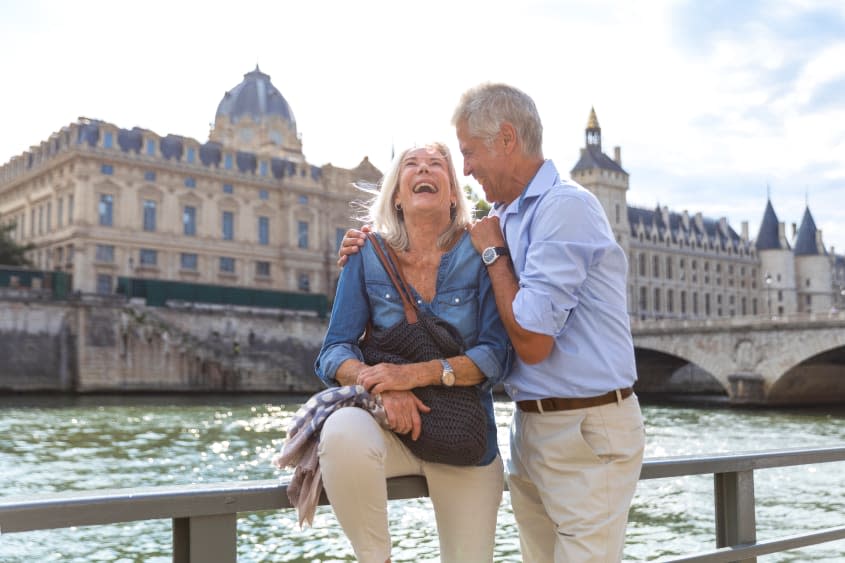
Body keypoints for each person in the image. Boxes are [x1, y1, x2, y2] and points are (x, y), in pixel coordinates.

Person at [340, 85, 645, 562]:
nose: (466, 169)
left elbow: (532, 342)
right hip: (534, 426)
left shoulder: (563, 208)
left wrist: (493, 254)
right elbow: (427, 245)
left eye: (468, 152)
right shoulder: (502, 216)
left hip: (588, 425)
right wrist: (370, 247)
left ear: (506, 139)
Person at [315, 142, 511, 563]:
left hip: (465, 438)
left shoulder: (480, 255)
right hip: (392, 428)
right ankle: (375, 557)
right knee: (342, 431)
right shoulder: (367, 253)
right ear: (397, 194)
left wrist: (411, 376)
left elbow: (495, 357)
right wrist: (381, 390)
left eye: (437, 164)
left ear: (454, 193)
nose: (424, 169)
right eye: (412, 165)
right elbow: (333, 351)